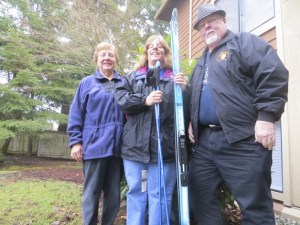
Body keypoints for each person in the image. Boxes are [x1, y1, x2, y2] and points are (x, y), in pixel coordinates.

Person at [188, 4, 289, 225]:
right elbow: (196, 95)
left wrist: (266, 117)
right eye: (202, 26)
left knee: (255, 206)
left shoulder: (244, 43)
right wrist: (191, 121)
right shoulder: (201, 62)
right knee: (199, 196)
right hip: (206, 143)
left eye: (211, 21)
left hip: (243, 140)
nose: (207, 27)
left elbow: (273, 73)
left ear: (224, 21)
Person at [114, 34, 189, 225]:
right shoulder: (132, 77)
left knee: (160, 194)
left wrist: (185, 91)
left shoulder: (175, 79)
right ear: (146, 52)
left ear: (165, 53)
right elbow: (121, 100)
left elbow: (188, 111)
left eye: (160, 46)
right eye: (151, 46)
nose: (155, 49)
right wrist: (144, 100)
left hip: (164, 150)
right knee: (138, 192)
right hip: (135, 150)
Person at [67, 42, 124, 225]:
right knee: (91, 193)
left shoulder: (124, 83)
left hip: (118, 149)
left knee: (113, 195)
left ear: (116, 60)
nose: (107, 58)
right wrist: (76, 142)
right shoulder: (87, 83)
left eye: (111, 55)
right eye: (103, 55)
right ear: (97, 60)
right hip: (95, 147)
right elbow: (76, 113)